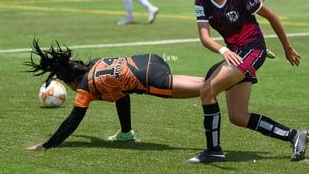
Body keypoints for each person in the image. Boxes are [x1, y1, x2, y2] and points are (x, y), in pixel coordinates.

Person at [187, 0, 309, 163]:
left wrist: (287, 48)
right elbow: (205, 38)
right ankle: (294, 135)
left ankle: (213, 150)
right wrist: (224, 51)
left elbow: (272, 17)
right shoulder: (201, 1)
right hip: (235, 54)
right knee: (238, 116)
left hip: (253, 50)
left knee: (207, 90)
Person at [25, 39, 204, 150]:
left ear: (72, 81)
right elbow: (121, 95)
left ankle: (228, 81)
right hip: (152, 59)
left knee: (207, 88)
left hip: (148, 77)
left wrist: (47, 145)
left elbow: (71, 123)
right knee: (205, 84)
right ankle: (126, 134)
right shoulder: (95, 63)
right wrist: (126, 130)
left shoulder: (84, 89)